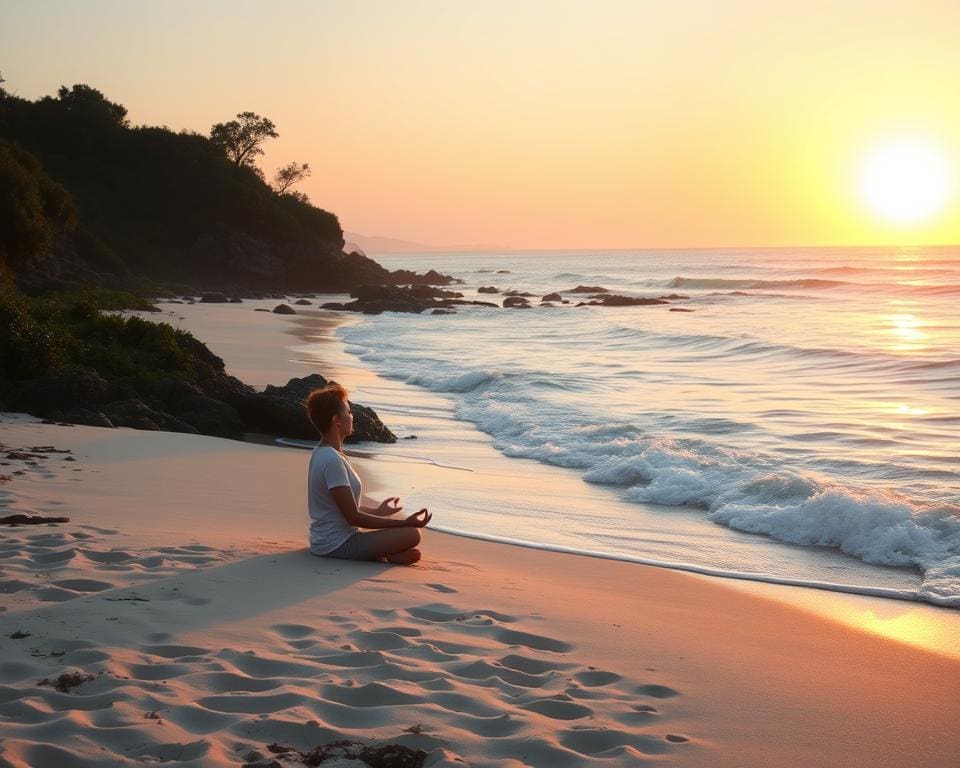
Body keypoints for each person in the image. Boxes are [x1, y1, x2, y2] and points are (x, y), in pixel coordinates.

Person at [305, 383, 430, 564]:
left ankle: (385, 553)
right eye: (348, 412)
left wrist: (379, 511)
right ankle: (383, 553)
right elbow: (352, 517)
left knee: (410, 541)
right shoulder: (331, 460)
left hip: (327, 541)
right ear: (336, 420)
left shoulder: (324, 453)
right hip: (337, 544)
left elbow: (341, 507)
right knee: (412, 534)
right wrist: (404, 523)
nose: (352, 416)